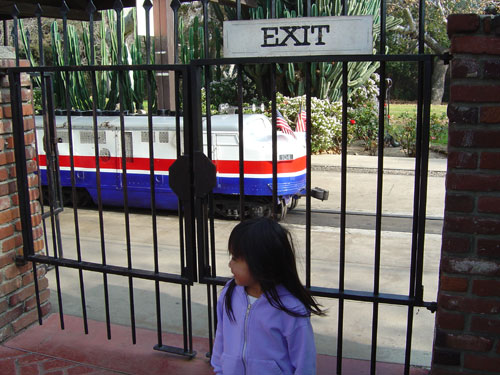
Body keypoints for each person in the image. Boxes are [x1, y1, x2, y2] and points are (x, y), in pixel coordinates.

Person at [211, 217, 325, 375]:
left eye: (236, 258)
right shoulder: (229, 293)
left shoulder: (290, 308)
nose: (230, 264)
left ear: (261, 262)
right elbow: (222, 335)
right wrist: (219, 368)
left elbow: (304, 361)